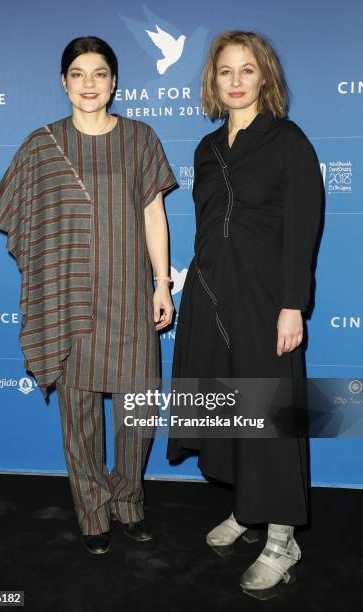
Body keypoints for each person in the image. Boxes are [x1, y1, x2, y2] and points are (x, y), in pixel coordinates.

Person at [0, 36, 177, 555]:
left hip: (130, 295)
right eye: (78, 73)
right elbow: (21, 219)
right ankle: (93, 511)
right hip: (66, 299)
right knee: (80, 414)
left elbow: (152, 214)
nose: (89, 83)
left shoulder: (140, 138)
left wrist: (162, 283)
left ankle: (129, 502)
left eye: (99, 73)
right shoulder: (42, 144)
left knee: (138, 409)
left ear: (115, 81)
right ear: (63, 82)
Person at [167, 31, 323, 599]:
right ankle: (247, 509)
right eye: (225, 71)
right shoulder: (206, 149)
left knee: (273, 412)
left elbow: (303, 229)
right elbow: (209, 227)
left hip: (266, 298)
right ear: (213, 81)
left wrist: (292, 305)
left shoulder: (288, 141)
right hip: (211, 296)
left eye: (247, 70)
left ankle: (282, 537)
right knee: (227, 406)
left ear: (265, 78)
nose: (236, 81)